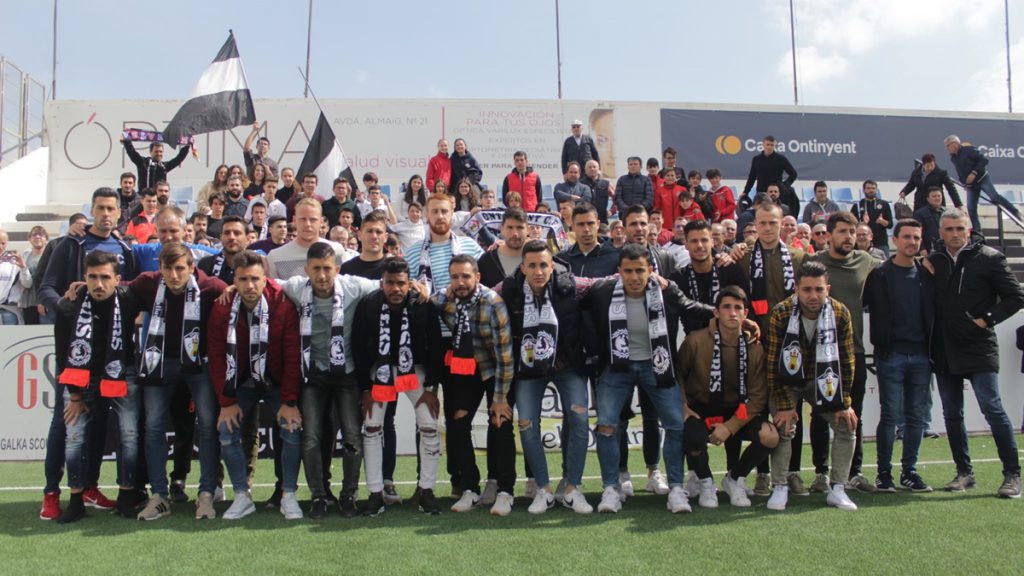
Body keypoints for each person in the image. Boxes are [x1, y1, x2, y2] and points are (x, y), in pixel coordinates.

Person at [584, 244, 714, 513]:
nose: (634, 277)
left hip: (657, 366)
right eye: (628, 271)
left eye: (640, 270)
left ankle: (676, 489)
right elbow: (579, 308)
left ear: (651, 271)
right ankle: (611, 488)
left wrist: (725, 315)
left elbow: (692, 308)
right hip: (616, 368)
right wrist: (594, 350)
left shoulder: (666, 292)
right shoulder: (603, 292)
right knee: (607, 425)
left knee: (676, 424)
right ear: (618, 272)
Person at [272, 243, 385, 518]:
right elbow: (266, 283)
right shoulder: (297, 287)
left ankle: (348, 495)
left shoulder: (353, 286)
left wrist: (420, 287)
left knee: (351, 437)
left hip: (346, 373)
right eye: (316, 269)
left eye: (327, 269)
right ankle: (319, 496)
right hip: (314, 374)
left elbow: (388, 284)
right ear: (306, 270)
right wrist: (230, 287)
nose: (322, 276)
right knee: (310, 437)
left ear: (336, 268)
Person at [926, 209, 1024, 498]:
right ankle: (964, 473)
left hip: (979, 347)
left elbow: (1016, 296)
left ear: (968, 229)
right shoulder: (934, 260)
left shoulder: (990, 258)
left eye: (960, 228)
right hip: (944, 349)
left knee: (992, 408)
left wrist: (987, 319)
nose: (955, 234)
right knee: (952, 414)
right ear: (941, 232)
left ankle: (1012, 476)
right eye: (949, 229)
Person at [124, 243, 226, 519]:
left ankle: (206, 493)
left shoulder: (212, 287)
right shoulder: (147, 283)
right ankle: (159, 496)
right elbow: (116, 288)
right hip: (159, 363)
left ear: (192, 268)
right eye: (167, 268)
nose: (174, 274)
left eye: (180, 268)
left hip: (199, 364)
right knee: (154, 426)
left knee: (206, 425)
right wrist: (82, 287)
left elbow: (237, 292)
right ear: (160, 269)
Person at [207, 250, 302, 520]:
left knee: (292, 428)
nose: (250, 285)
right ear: (234, 280)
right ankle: (241, 495)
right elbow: (215, 356)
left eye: (255, 279)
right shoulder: (222, 306)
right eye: (243, 279)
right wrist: (226, 403)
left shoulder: (283, 303)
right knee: (226, 430)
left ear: (265, 278)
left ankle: (289, 494)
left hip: (277, 381)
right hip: (241, 382)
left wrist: (289, 401)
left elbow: (293, 354)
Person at [502, 240, 593, 514]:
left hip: (567, 365)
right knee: (527, 423)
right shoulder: (510, 288)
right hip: (529, 368)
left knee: (578, 416)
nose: (539, 271)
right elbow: (482, 293)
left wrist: (657, 278)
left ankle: (572, 488)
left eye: (544, 265)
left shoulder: (571, 285)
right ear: (523, 267)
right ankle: (543, 489)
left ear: (552, 266)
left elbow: (604, 282)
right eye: (532, 265)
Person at [52, 251, 142, 523]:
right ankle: (77, 500)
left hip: (122, 374)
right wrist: (75, 395)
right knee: (74, 438)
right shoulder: (68, 306)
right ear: (84, 278)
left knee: (128, 434)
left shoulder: (129, 300)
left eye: (105, 277)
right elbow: (61, 354)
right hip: (81, 378)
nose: (99, 284)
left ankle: (126, 496)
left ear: (118, 279)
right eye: (93, 277)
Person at [353, 258, 444, 515]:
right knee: (371, 427)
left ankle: (426, 490)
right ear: (382, 282)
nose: (395, 289)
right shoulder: (369, 304)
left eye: (400, 283)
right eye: (390, 283)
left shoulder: (422, 304)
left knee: (428, 425)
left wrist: (431, 386)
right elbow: (358, 348)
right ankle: (374, 493)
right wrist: (365, 388)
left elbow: (436, 344)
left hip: (414, 371)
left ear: (409, 283)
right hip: (379, 372)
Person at [766, 260, 858, 512]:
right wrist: (785, 407)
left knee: (846, 423)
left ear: (827, 288)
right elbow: (773, 364)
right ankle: (780, 486)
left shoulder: (840, 313)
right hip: (789, 380)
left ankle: (837, 489)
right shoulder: (781, 312)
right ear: (796, 289)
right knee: (784, 426)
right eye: (807, 290)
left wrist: (844, 403)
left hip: (823, 378)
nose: (813, 296)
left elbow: (847, 361)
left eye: (819, 289)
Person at [431, 255, 516, 515]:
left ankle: (505, 490)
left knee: (500, 421)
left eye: (465, 276)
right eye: (455, 277)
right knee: (457, 423)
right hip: (466, 369)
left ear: (477, 277)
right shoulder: (448, 301)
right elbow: (432, 300)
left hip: (495, 368)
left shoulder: (493, 303)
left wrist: (500, 398)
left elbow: (505, 357)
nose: (460, 282)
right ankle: (470, 487)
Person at [680, 286, 777, 508]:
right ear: (716, 312)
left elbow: (757, 397)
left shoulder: (754, 348)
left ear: (745, 314)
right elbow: (677, 376)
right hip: (701, 409)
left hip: (737, 411)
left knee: (770, 436)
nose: (732, 313)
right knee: (690, 435)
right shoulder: (695, 340)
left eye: (738, 308)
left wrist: (730, 426)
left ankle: (735, 479)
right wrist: (683, 406)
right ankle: (705, 482)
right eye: (726, 307)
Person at [808, 212, 883, 494]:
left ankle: (855, 472)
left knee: (855, 415)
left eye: (853, 231)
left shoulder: (866, 261)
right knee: (818, 415)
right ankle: (820, 473)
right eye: (843, 231)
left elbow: (897, 267)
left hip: (854, 353)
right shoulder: (813, 262)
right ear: (829, 234)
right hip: (819, 355)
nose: (849, 237)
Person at [863, 219, 935, 493]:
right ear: (895, 240)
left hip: (921, 356)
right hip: (890, 355)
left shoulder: (927, 275)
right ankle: (884, 474)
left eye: (917, 238)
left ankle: (910, 472)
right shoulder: (879, 274)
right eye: (907, 237)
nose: (912, 242)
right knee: (890, 415)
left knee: (916, 417)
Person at [944, 134, 1021, 232]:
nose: (947, 149)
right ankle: (977, 231)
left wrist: (974, 172)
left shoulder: (969, 150)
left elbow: (983, 160)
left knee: (994, 197)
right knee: (971, 208)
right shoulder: (953, 158)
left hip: (982, 178)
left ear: (954, 144)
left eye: (948, 146)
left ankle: (1016, 213)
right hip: (971, 186)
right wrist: (964, 183)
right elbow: (960, 172)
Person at [269, 198, 353, 280]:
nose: (307, 224)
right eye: (302, 219)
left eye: (313, 220)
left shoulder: (337, 251)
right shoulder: (276, 257)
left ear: (321, 222)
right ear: (294, 221)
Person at [741, 135, 798, 208]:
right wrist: (746, 191)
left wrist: (785, 185)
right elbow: (752, 177)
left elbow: (793, 174)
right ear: (763, 145)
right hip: (762, 192)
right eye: (768, 144)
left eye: (772, 145)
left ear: (775, 146)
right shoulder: (756, 159)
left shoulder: (781, 158)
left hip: (776, 193)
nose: (770, 147)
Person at [478, 208, 528, 288]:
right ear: (502, 229)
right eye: (510, 228)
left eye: (519, 228)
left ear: (527, 230)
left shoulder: (538, 260)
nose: (515, 233)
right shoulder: (486, 261)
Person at [899, 153, 963, 212]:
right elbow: (911, 184)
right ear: (923, 165)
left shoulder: (941, 173)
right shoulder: (916, 172)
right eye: (927, 166)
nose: (930, 168)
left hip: (936, 202)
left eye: (932, 165)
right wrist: (904, 192)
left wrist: (958, 205)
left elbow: (951, 189)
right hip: (920, 202)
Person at [121, 136, 190, 190]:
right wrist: (127, 141)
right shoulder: (143, 163)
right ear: (150, 152)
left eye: (160, 151)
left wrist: (188, 145)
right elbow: (132, 153)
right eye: (156, 151)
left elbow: (178, 159)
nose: (159, 154)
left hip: (158, 200)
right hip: (143, 199)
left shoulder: (164, 166)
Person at [197, 216, 249, 284]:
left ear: (247, 239)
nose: (231, 237)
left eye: (237, 233)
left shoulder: (256, 265)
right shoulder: (205, 264)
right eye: (227, 233)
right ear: (221, 237)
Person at [850, 180, 893, 257]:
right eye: (868, 188)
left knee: (883, 267)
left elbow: (890, 225)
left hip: (881, 243)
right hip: (862, 244)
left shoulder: (884, 204)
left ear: (876, 190)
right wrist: (863, 223)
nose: (871, 190)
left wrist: (882, 221)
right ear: (864, 190)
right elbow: (851, 226)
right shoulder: (858, 205)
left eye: (873, 188)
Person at [0, 230, 32, 324]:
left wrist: (23, 267)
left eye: (3, 243)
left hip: (8, 311)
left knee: (10, 338)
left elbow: (27, 284)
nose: (0, 246)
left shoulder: (15, 261)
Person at [19, 225, 48, 324]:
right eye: (34, 234)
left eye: (41, 234)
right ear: (29, 238)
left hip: (44, 302)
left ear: (46, 239)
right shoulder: (25, 255)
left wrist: (43, 301)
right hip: (28, 302)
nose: (38, 237)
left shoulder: (50, 256)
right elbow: (25, 281)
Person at [913, 187, 945, 255]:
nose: (937, 198)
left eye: (939, 196)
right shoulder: (919, 214)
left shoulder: (947, 213)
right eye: (934, 196)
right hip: (927, 249)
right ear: (928, 199)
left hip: (944, 248)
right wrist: (922, 249)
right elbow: (916, 233)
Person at [581, 159, 613, 224]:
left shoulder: (606, 184)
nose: (592, 169)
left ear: (598, 169)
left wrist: (612, 211)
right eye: (589, 167)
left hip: (602, 220)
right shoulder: (580, 184)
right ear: (585, 170)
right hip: (585, 219)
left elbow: (616, 198)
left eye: (594, 167)